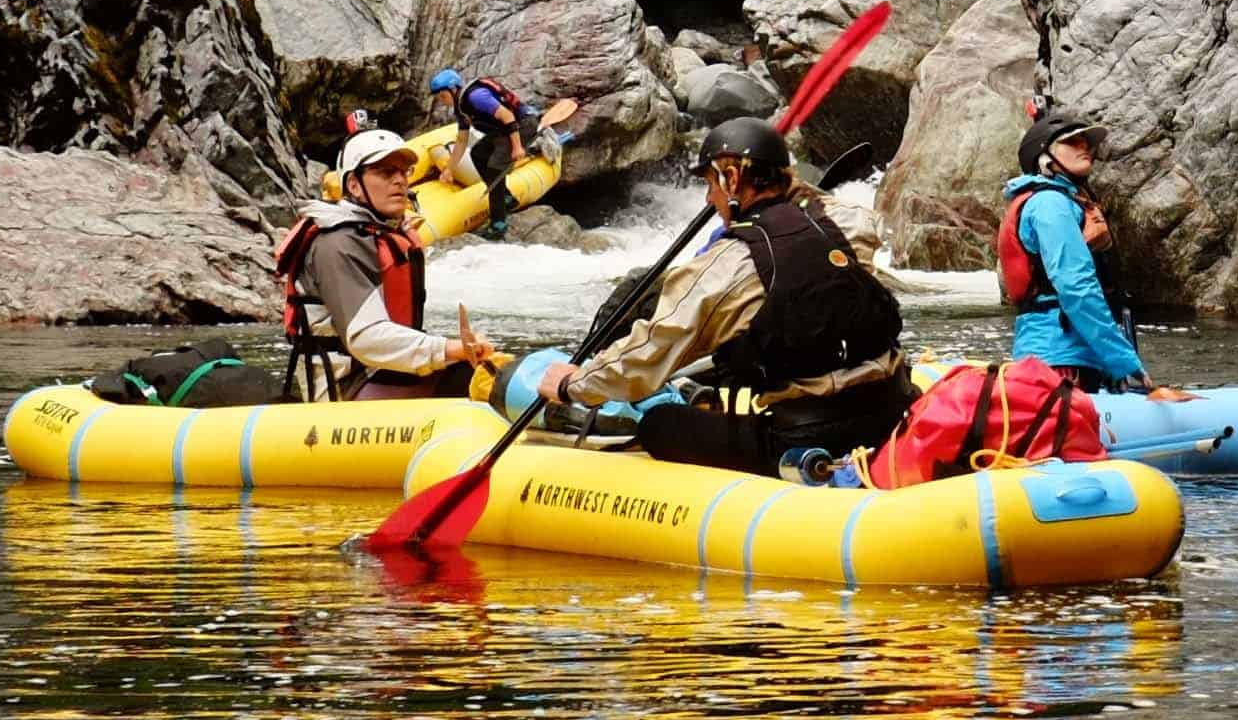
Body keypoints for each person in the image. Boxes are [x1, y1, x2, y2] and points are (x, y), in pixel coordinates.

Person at [532, 119, 916, 475]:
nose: (708, 200)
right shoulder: (850, 224)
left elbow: (646, 356)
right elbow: (809, 232)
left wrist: (573, 385)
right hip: (891, 409)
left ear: (732, 179)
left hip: (807, 437)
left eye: (711, 185)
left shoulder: (724, 267)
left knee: (661, 423)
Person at [275, 129, 502, 401]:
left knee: (492, 373)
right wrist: (448, 349)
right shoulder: (336, 243)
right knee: (472, 378)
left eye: (403, 171)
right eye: (384, 172)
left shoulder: (381, 234)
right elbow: (366, 338)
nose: (399, 180)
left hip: (383, 371)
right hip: (343, 386)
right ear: (354, 185)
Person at [1000, 111, 1193, 401]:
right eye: (1073, 142)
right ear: (1043, 156)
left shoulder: (1063, 201)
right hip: (1059, 361)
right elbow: (1077, 290)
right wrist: (1124, 362)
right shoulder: (1050, 205)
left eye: (1087, 142)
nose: (1085, 147)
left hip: (1068, 354)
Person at [425, 68, 583, 219]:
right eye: (439, 98)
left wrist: (517, 147)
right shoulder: (461, 110)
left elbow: (507, 116)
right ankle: (506, 197)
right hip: (504, 131)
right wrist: (449, 169)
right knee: (477, 153)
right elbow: (461, 140)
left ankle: (498, 223)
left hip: (523, 125)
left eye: (443, 96)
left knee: (495, 168)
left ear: (454, 89)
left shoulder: (476, 97)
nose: (442, 101)